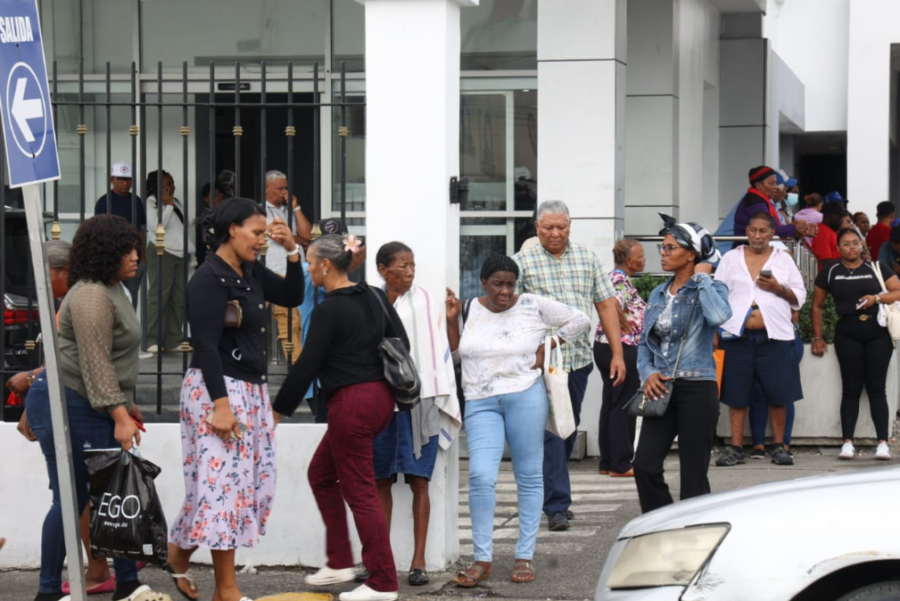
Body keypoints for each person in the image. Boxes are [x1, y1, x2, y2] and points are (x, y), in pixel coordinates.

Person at [167, 198, 304, 601]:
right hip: (217, 390)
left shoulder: (251, 271)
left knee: (237, 487)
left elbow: (293, 296)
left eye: (265, 234)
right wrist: (221, 405)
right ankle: (226, 588)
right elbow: (206, 346)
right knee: (223, 488)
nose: (262, 241)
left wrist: (293, 251)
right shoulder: (207, 279)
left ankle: (178, 554)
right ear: (232, 230)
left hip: (250, 390)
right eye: (256, 232)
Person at [26, 215, 168, 601]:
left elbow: (109, 359)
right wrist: (119, 414)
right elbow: (94, 362)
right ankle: (49, 591)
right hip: (72, 400)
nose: (136, 255)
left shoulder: (112, 288)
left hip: (90, 399)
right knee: (73, 498)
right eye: (127, 250)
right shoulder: (90, 294)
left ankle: (126, 583)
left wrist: (127, 404)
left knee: (110, 494)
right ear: (105, 253)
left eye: (136, 247)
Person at [273, 233, 404, 601]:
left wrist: (277, 410)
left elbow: (307, 365)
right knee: (321, 474)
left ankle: (382, 582)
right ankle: (341, 560)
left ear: (326, 265)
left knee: (361, 493)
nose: (310, 270)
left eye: (311, 264)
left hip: (352, 404)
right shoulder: (375, 296)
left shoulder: (330, 307)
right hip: (380, 399)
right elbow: (401, 345)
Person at [447, 255, 589, 588]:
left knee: (528, 475)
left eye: (511, 283)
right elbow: (454, 353)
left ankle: (524, 555)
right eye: (498, 283)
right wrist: (452, 319)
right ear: (484, 283)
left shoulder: (531, 305)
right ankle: (483, 558)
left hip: (526, 396)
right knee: (481, 476)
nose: (505, 291)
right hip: (481, 402)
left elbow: (580, 319)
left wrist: (548, 344)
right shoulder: (468, 309)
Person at [9, 241, 116, 595]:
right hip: (69, 400)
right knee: (79, 493)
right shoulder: (83, 299)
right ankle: (101, 569)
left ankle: (101, 568)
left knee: (78, 493)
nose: (41, 282)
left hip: (82, 402)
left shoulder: (80, 301)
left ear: (62, 272)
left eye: (45, 274)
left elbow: (78, 360)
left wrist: (33, 381)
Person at [513, 199, 624, 533]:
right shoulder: (522, 263)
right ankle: (556, 504)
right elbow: (512, 313)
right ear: (536, 228)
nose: (555, 233)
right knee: (550, 431)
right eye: (548, 227)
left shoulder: (587, 258)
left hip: (578, 361)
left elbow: (605, 306)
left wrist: (617, 354)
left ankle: (552, 493)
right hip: (541, 363)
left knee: (567, 426)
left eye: (561, 227)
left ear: (570, 226)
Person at [371, 242, 461, 587]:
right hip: (381, 401)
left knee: (419, 479)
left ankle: (419, 561)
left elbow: (443, 348)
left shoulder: (424, 301)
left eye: (412, 266)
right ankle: (380, 560)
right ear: (383, 269)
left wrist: (452, 321)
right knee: (380, 479)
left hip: (419, 400)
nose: (409, 272)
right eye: (402, 266)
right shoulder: (372, 301)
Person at [632, 215, 732, 514]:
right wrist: (647, 373)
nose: (663, 253)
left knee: (693, 474)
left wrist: (701, 278)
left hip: (698, 387)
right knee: (644, 466)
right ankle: (662, 522)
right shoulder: (657, 293)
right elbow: (644, 344)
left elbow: (718, 318)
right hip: (660, 388)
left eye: (670, 248)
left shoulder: (712, 287)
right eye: (662, 248)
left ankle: (692, 530)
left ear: (691, 254)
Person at [714, 213, 806, 468]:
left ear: (772, 232)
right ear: (747, 231)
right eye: (752, 230)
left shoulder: (783, 259)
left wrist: (778, 289)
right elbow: (717, 294)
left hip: (775, 335)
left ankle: (779, 447)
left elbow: (800, 296)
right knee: (736, 394)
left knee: (779, 393)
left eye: (763, 231)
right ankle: (735, 448)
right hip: (737, 335)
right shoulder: (731, 258)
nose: (757, 236)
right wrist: (714, 332)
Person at [811, 227, 900, 461]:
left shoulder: (877, 268)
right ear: (838, 248)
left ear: (862, 245)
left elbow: (898, 291)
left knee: (877, 388)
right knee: (850, 389)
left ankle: (882, 443)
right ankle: (847, 443)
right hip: (847, 332)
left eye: (856, 243)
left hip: (877, 332)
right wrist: (817, 336)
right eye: (846, 244)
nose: (852, 247)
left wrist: (876, 298)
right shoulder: (830, 272)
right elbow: (817, 306)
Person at [594, 240, 646, 478]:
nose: (644, 259)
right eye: (641, 256)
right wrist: (626, 327)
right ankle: (621, 464)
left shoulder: (613, 277)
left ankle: (607, 462)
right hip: (620, 348)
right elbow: (611, 304)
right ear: (628, 260)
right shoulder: (618, 279)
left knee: (611, 403)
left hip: (605, 346)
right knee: (623, 405)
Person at [264, 169, 312, 364]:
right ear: (267, 189)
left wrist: (296, 207)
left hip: (292, 271)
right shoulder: (259, 210)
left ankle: (298, 367)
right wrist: (298, 239)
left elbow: (308, 236)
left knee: (291, 323)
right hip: (270, 271)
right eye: (279, 188)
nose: (284, 192)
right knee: (252, 317)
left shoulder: (288, 210)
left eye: (286, 187)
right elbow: (277, 235)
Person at [145, 169, 193, 354]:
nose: (171, 186)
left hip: (180, 255)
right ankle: (152, 340)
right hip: (162, 253)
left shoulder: (175, 202)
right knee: (159, 297)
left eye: (172, 182)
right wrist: (168, 206)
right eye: (167, 183)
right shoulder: (151, 203)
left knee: (178, 299)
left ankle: (173, 340)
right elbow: (158, 226)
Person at [94, 161, 146, 309]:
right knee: (110, 297)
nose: (125, 183)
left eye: (128, 179)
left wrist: (143, 255)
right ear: (112, 180)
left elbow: (140, 229)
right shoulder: (104, 202)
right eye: (120, 179)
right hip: (112, 257)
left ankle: (129, 330)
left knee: (131, 297)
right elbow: (99, 231)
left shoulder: (136, 201)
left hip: (133, 257)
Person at [733, 166, 815, 240]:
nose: (775, 187)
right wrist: (794, 228)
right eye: (771, 183)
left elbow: (773, 228)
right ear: (758, 185)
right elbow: (767, 230)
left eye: (775, 183)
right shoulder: (755, 201)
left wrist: (802, 229)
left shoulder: (763, 200)